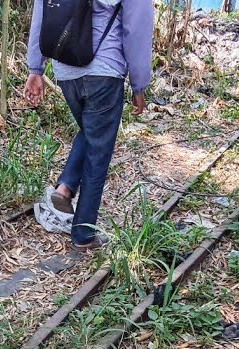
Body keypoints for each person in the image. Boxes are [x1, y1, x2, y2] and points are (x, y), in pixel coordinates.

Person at [25, 0, 154, 250]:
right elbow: (136, 28)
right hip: (104, 69)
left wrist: (35, 67)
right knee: (98, 152)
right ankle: (83, 235)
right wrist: (139, 83)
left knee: (91, 131)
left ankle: (64, 189)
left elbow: (42, 11)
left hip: (64, 68)